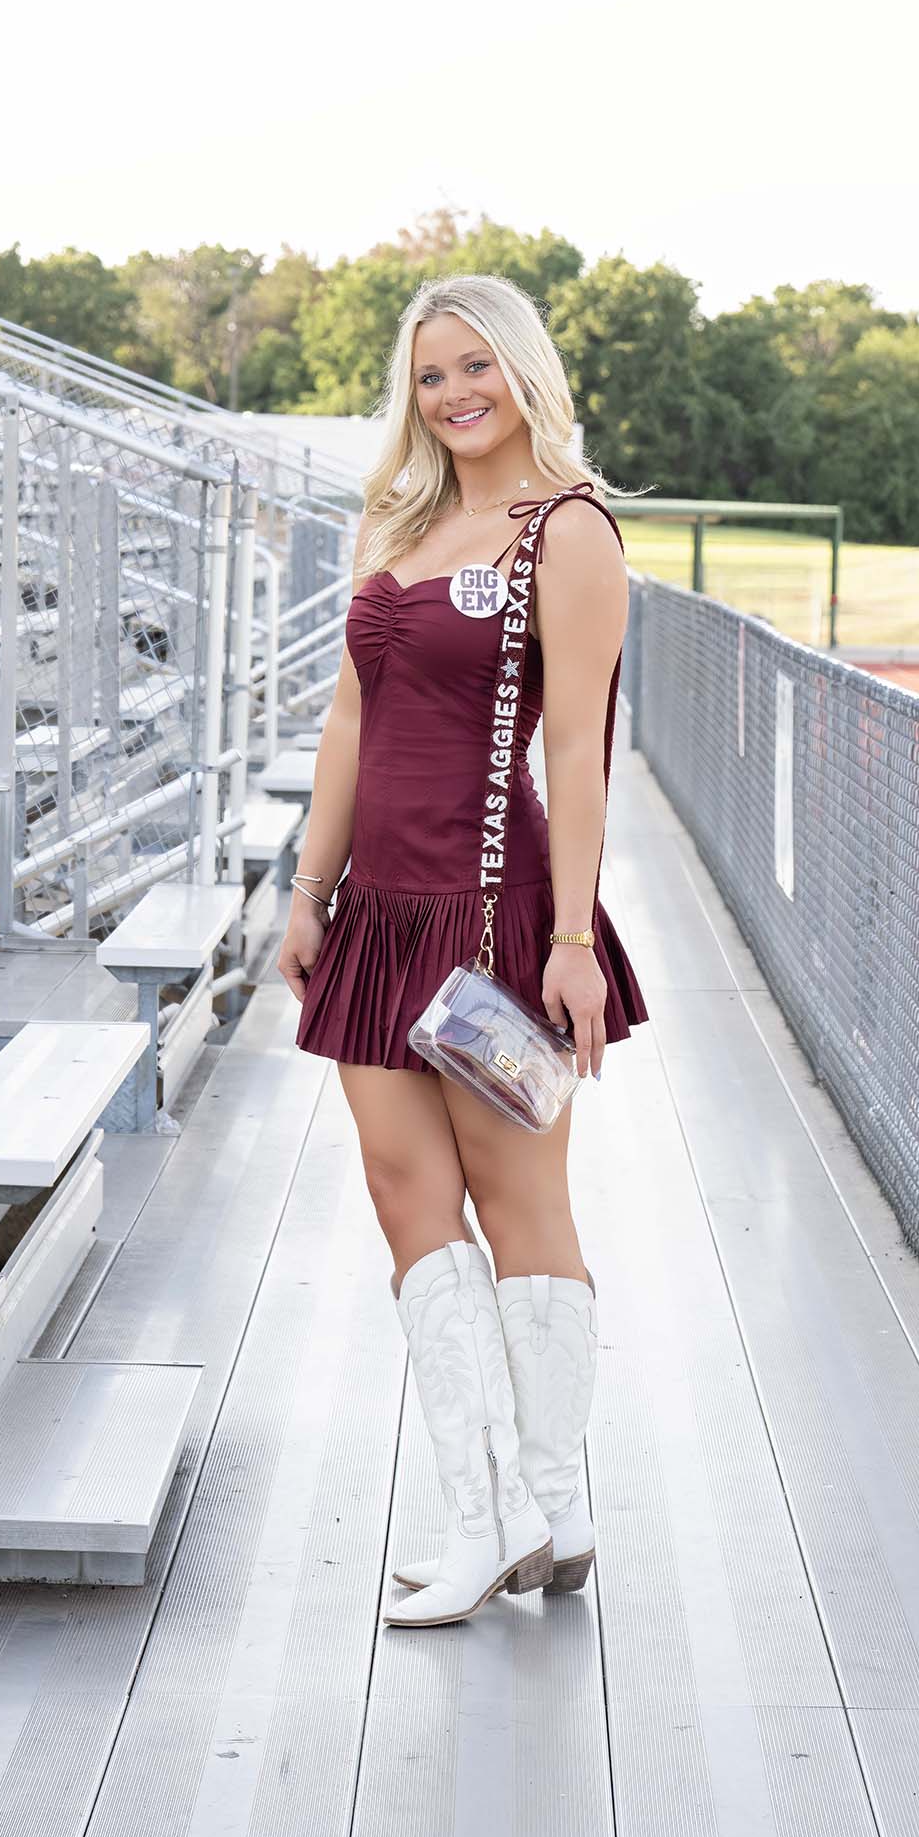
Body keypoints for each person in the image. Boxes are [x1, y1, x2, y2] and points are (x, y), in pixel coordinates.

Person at [276, 272, 651, 1629]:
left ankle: (556, 1501)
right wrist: (309, 890)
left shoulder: (572, 528)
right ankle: (482, 1513)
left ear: (523, 370)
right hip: (377, 912)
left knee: (521, 1204)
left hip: (497, 919)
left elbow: (577, 743)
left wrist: (570, 938)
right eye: (431, 373)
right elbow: (347, 721)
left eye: (475, 365)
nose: (453, 393)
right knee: (401, 1193)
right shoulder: (398, 516)